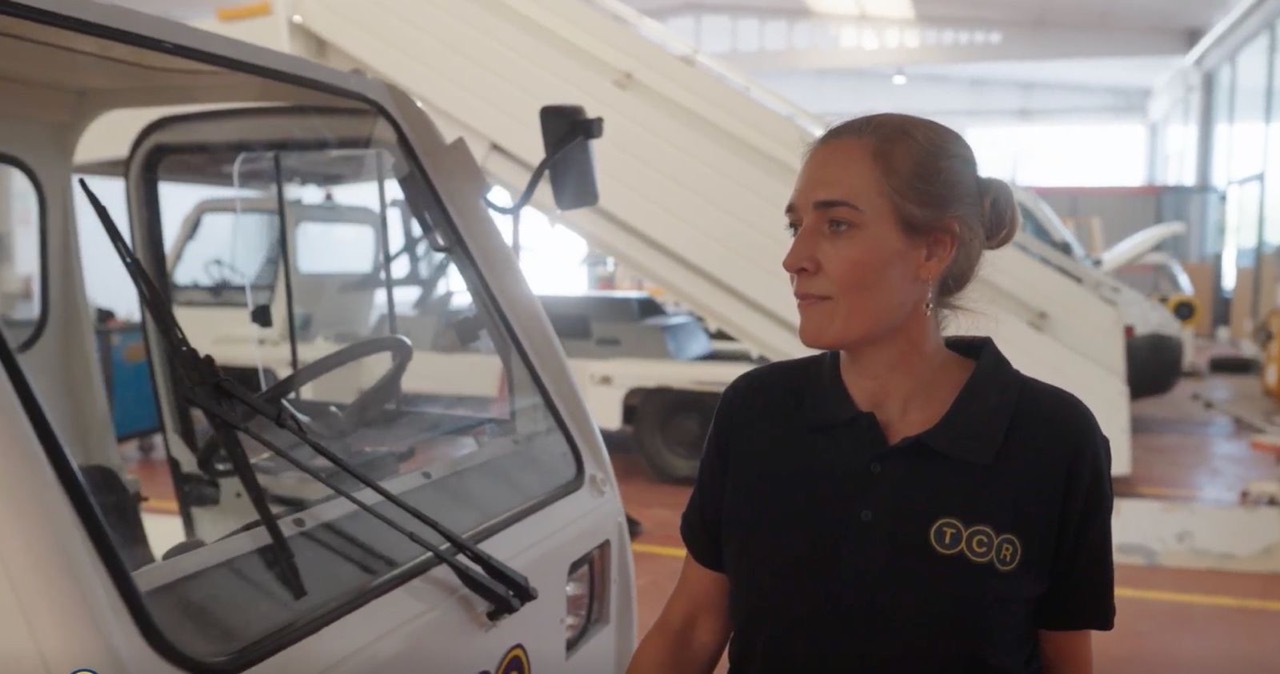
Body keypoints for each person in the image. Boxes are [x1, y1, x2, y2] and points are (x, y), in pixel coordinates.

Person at [626, 113, 1115, 674]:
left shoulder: (1051, 439)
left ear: (933, 251)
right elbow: (690, 629)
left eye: (836, 225)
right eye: (796, 225)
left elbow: (1065, 661)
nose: (795, 259)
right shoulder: (757, 411)